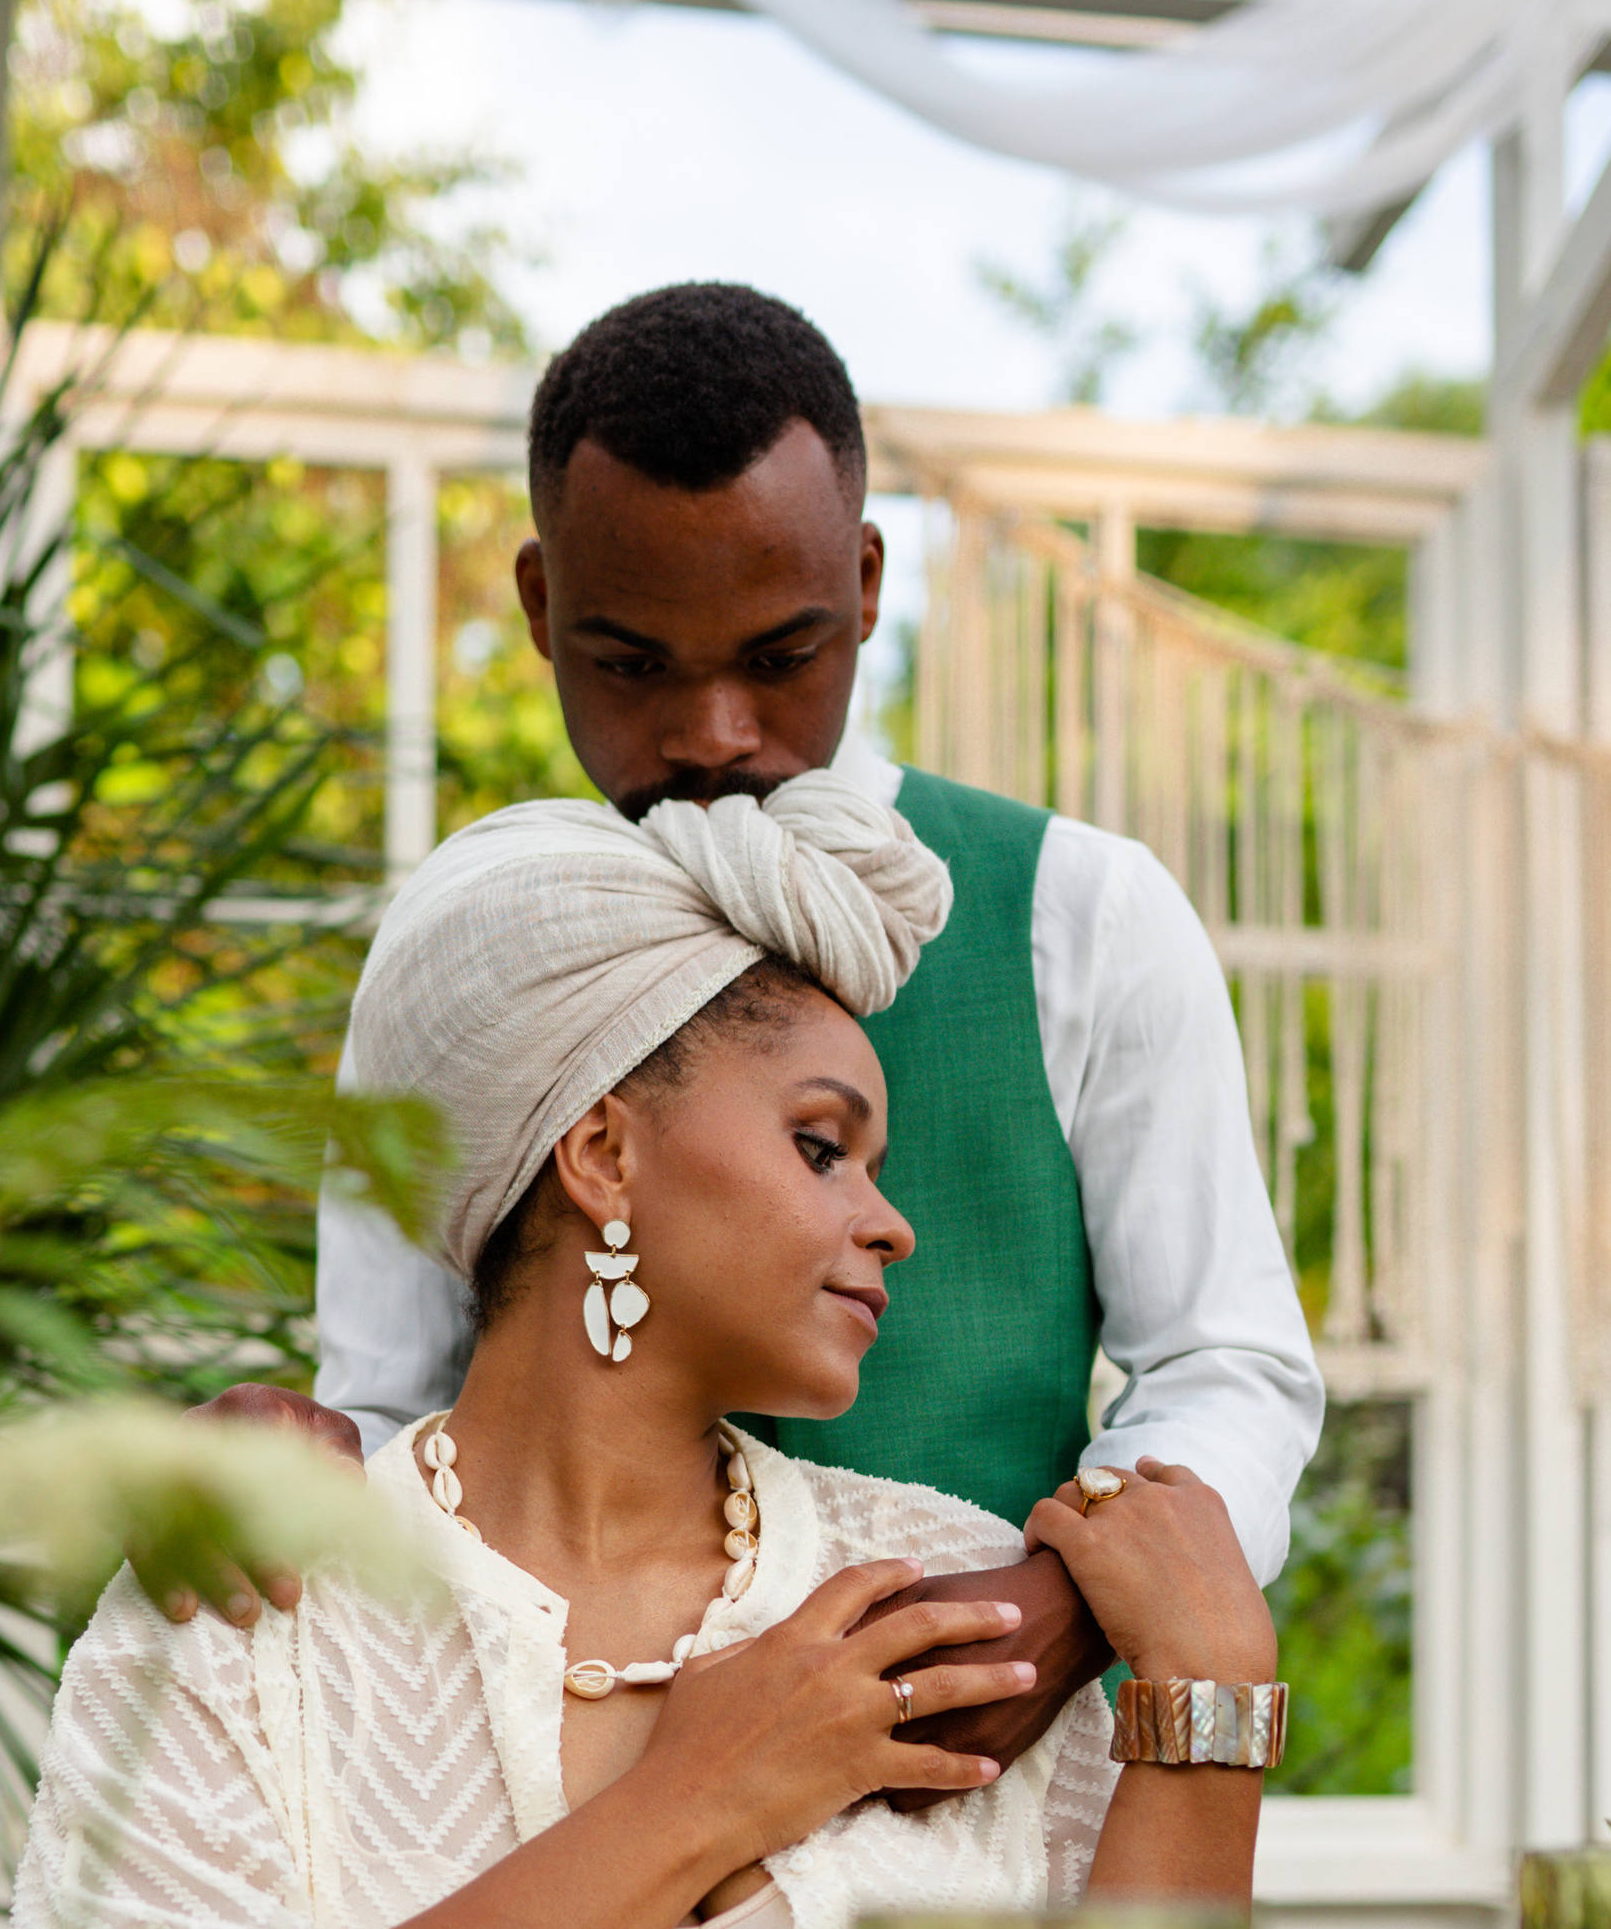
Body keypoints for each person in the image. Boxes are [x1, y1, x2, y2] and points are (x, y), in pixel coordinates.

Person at [17, 778, 1282, 1929]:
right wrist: (698, 1796)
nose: (891, 1226)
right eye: (825, 1148)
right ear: (602, 1155)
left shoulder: (936, 1605)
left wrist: (1208, 1723)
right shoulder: (248, 1594)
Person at [198, 281, 1321, 1757]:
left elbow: (1228, 1368)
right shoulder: (464, 952)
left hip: (977, 1829)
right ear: (540, 609)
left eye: (781, 657)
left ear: (864, 582)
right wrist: (291, 1448)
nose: (714, 734)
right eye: (632, 662)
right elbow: (395, 1400)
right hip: (554, 1804)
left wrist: (1066, 1606)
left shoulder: (1083, 917)